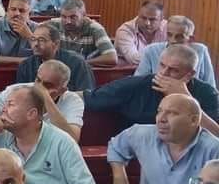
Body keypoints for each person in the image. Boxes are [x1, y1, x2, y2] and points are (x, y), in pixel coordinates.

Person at [85, 45, 219, 134]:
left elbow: (215, 134)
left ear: (190, 74)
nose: (164, 73)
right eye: (162, 65)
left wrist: (186, 98)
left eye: (173, 70)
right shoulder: (135, 85)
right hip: (134, 155)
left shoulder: (207, 93)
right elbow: (88, 98)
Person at [108, 94, 219, 184]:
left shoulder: (213, 149)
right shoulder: (143, 135)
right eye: (159, 111)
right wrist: (119, 178)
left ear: (193, 120)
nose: (161, 119)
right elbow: (115, 146)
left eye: (172, 113)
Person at [0, 60, 85, 141]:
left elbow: (72, 139)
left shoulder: (72, 100)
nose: (39, 87)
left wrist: (46, 98)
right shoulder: (13, 91)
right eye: (38, 80)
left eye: (48, 85)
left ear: (62, 90)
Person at [135, 15, 216, 87]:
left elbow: (210, 84)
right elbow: (138, 80)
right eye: (169, 35)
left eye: (179, 36)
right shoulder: (151, 50)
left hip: (190, 95)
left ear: (191, 39)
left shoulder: (201, 50)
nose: (173, 40)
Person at [14, 22, 95, 92]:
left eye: (41, 40)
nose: (36, 44)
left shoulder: (77, 63)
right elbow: (21, 95)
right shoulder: (25, 65)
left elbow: (86, 94)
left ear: (56, 44)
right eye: (33, 39)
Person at [46, 0, 117, 67]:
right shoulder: (54, 24)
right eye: (64, 17)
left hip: (84, 70)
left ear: (84, 16)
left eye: (73, 17)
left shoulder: (95, 29)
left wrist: (80, 63)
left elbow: (112, 57)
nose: (68, 21)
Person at [0, 0, 38, 66]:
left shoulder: (37, 28)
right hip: (0, 71)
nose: (17, 13)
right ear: (7, 11)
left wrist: (30, 37)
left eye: (22, 11)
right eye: (13, 9)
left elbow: (45, 56)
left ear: (29, 14)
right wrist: (20, 61)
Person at [115, 0, 167, 66]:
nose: (147, 23)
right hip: (128, 70)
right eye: (143, 18)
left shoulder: (167, 28)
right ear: (138, 15)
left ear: (161, 19)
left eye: (152, 20)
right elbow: (134, 59)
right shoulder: (125, 30)